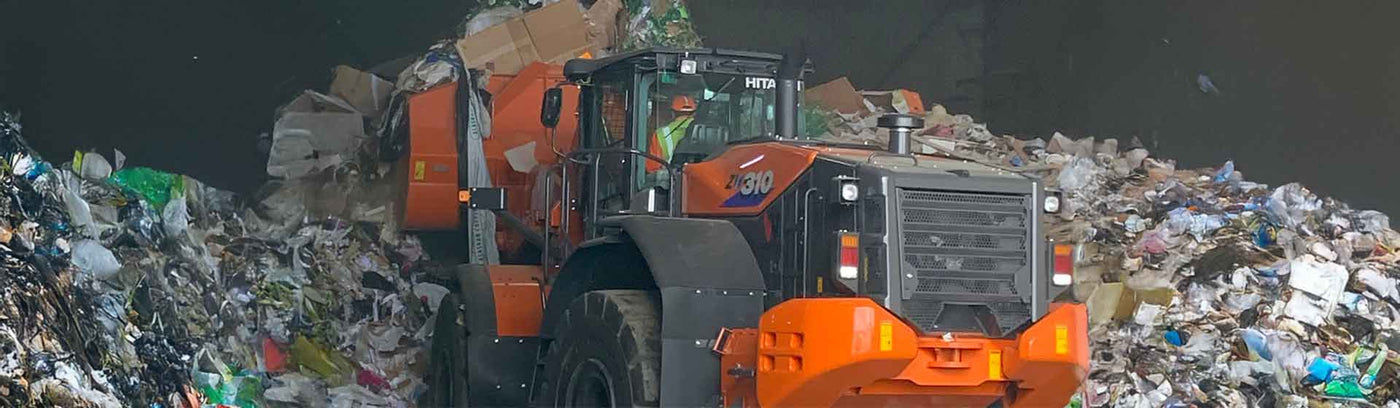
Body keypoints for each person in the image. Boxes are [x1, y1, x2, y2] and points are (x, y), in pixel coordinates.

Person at [646, 95, 697, 172]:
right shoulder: (710, 131)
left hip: (672, 180)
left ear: (672, 113)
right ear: (694, 113)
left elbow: (652, 168)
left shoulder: (661, 134)